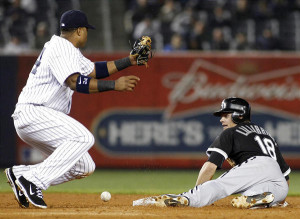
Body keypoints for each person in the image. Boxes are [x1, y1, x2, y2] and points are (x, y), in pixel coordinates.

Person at [5, 10, 145, 209]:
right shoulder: (62, 48)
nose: (87, 34)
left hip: (39, 117)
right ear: (79, 31)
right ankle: (34, 181)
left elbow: (95, 70)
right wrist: (115, 85)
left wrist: (129, 61)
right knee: (84, 138)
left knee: (84, 166)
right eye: (86, 30)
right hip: (35, 112)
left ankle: (22, 175)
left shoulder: (66, 49)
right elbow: (73, 81)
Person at [134, 97, 290, 209]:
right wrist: (282, 201)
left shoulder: (231, 132)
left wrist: (196, 193)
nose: (221, 119)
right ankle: (263, 198)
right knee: (254, 195)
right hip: (278, 181)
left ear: (239, 115)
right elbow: (285, 177)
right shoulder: (266, 134)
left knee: (219, 185)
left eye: (225, 115)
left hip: (256, 166)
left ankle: (185, 198)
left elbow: (210, 167)